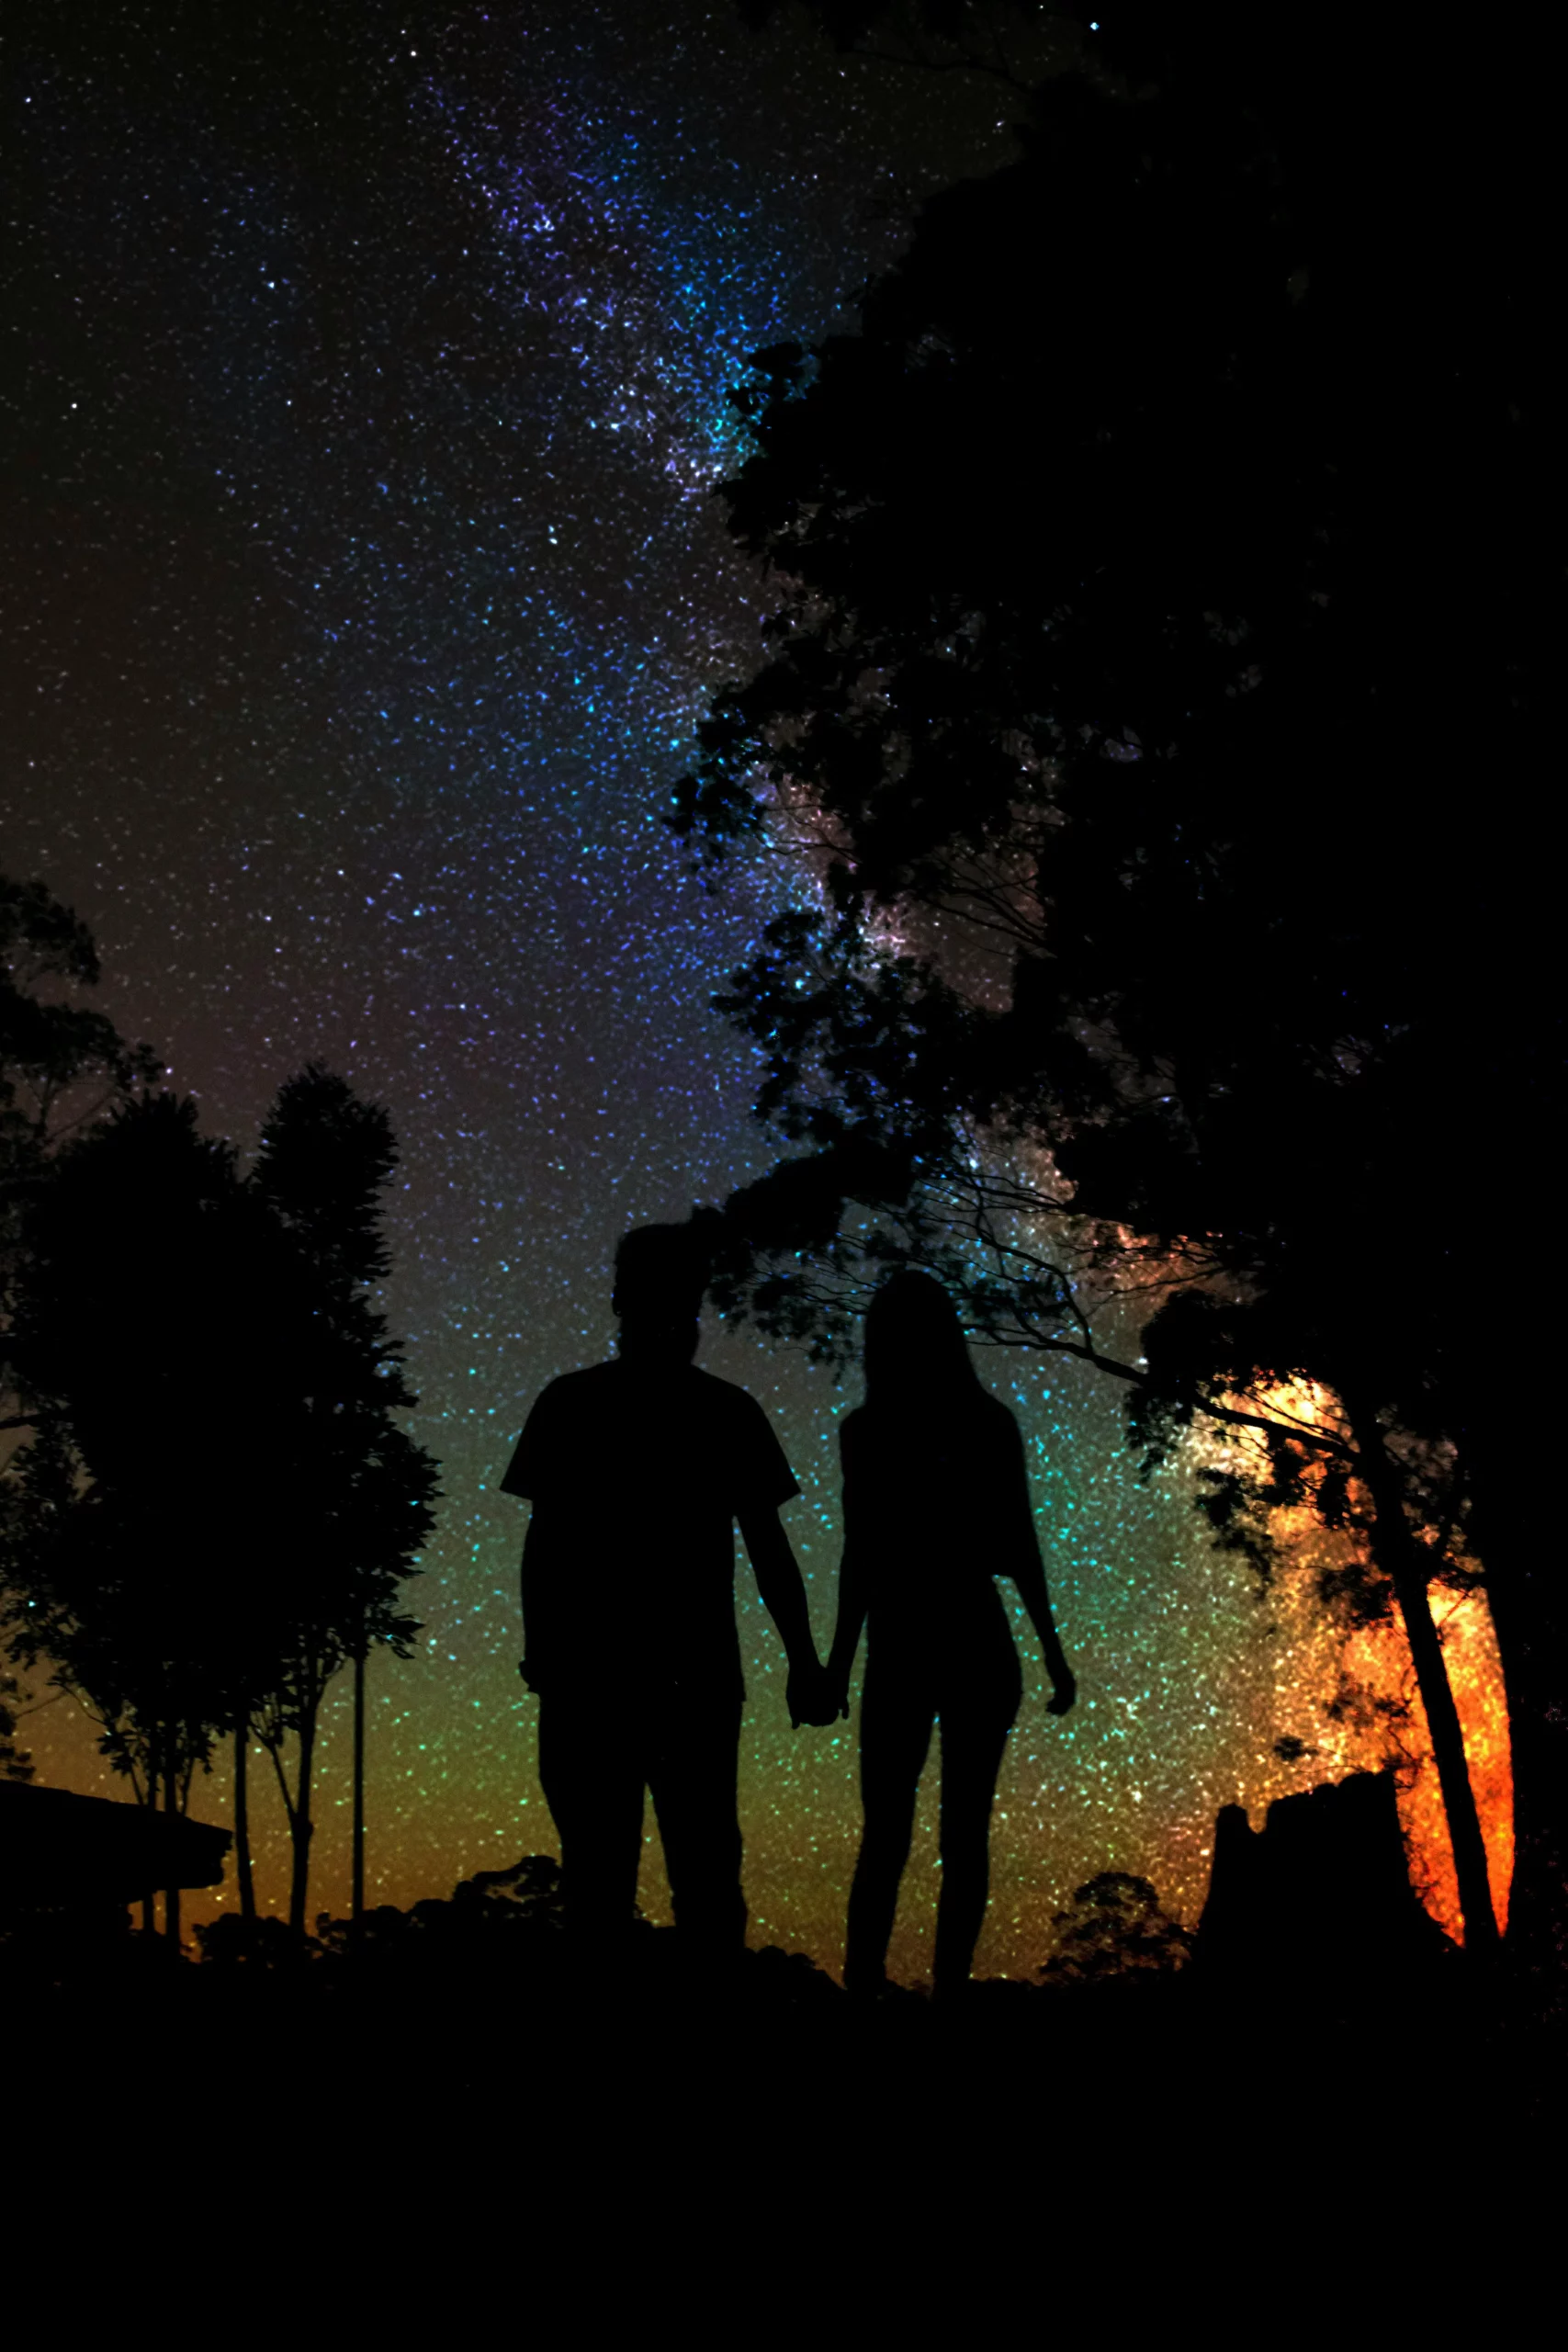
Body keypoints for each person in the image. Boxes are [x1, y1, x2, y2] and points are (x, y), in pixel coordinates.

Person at [500, 1223, 831, 1958]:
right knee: (704, 1880)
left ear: (618, 1300)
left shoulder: (570, 1403)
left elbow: (543, 1542)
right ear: (693, 1301)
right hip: (690, 1679)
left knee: (600, 1886)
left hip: (593, 1679)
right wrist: (802, 1662)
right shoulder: (725, 1411)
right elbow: (769, 1550)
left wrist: (542, 1648)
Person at [825, 1269, 1077, 1998]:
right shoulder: (984, 1422)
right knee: (959, 1835)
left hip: (906, 1642)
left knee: (893, 1834)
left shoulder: (868, 1431)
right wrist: (1053, 1657)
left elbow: (861, 1556)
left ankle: (870, 1989)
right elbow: (1017, 1546)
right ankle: (944, 1994)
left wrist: (838, 1663)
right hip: (966, 1639)